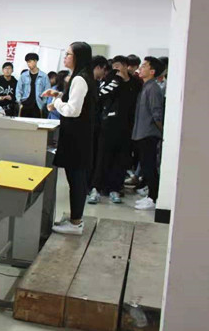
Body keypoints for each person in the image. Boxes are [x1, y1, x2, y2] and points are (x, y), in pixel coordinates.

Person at [43, 42, 97, 236]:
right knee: (76, 178)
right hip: (77, 135)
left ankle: (75, 223)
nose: (65, 57)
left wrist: (56, 102)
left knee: (76, 179)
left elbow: (73, 110)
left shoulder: (80, 79)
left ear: (78, 57)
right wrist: (58, 94)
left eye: (68, 54)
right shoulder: (80, 76)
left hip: (77, 137)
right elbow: (75, 98)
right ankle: (76, 219)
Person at [88, 56, 137, 205]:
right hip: (107, 125)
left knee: (121, 160)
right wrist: (116, 81)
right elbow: (101, 95)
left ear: (126, 66)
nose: (116, 69)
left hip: (126, 127)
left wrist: (125, 80)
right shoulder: (110, 79)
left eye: (119, 66)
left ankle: (115, 189)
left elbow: (134, 100)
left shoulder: (135, 82)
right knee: (102, 158)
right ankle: (96, 188)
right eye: (114, 66)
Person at [130, 56, 165, 211]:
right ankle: (150, 195)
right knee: (146, 166)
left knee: (150, 167)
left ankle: (153, 198)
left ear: (152, 71)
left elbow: (157, 114)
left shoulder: (153, 89)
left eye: (144, 66)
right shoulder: (146, 86)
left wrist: (160, 130)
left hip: (149, 134)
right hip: (142, 132)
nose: (140, 68)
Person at [16, 52, 51, 118]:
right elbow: (18, 89)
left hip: (37, 105)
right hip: (25, 104)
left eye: (30, 61)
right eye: (27, 62)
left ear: (35, 61)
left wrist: (43, 103)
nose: (28, 64)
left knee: (37, 123)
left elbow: (47, 91)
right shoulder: (23, 75)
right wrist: (19, 101)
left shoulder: (44, 76)